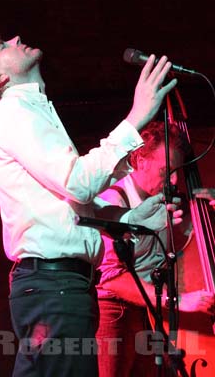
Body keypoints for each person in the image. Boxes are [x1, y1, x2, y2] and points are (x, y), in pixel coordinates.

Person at [0, 34, 177, 376]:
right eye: (0, 46)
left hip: (63, 286)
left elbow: (68, 209)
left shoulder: (31, 112)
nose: (14, 38)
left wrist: (129, 218)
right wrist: (135, 119)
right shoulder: (11, 112)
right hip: (53, 286)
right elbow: (79, 182)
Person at [95, 121, 215, 376]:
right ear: (140, 160)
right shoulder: (113, 199)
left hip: (152, 308)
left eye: (177, 171)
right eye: (165, 170)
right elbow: (112, 279)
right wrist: (179, 300)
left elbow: (191, 247)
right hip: (117, 312)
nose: (173, 180)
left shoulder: (166, 198)